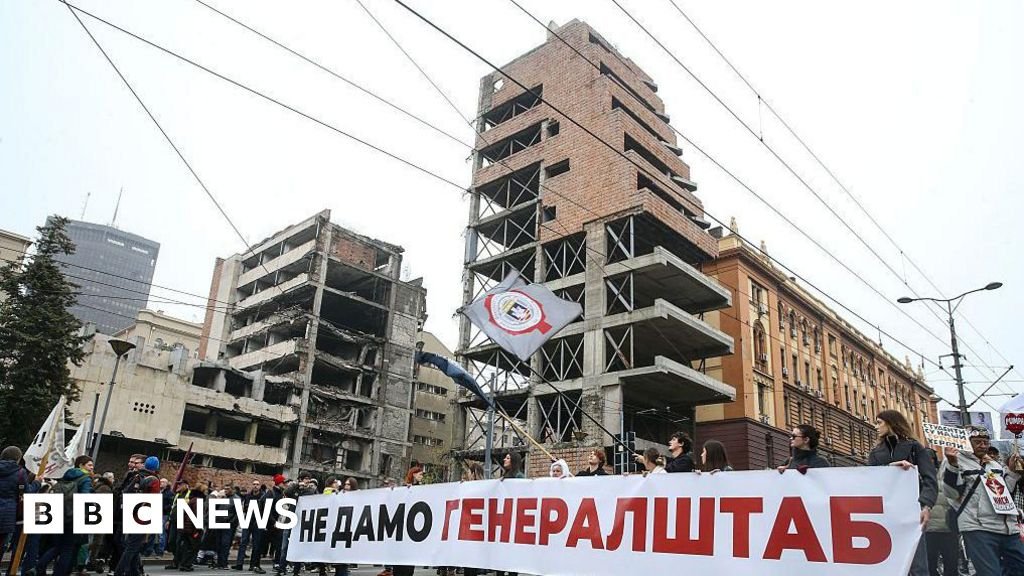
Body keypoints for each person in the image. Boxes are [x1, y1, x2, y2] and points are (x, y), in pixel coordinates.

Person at [941, 426, 1024, 575]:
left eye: (986, 442)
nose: (983, 445)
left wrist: (1011, 472)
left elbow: (1004, 492)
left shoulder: (994, 464)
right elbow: (951, 493)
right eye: (978, 442)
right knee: (990, 573)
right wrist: (953, 465)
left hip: (1007, 528)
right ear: (966, 442)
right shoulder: (955, 461)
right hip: (978, 527)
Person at [868, 410, 937, 576]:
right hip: (885, 515)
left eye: (879, 423)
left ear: (891, 423)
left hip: (912, 513)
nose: (876, 427)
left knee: (917, 565)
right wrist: (890, 468)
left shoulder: (914, 447)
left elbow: (930, 479)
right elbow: (869, 479)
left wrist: (926, 506)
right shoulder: (875, 452)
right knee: (889, 564)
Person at [36, 455, 94, 576]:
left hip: (59, 515)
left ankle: (38, 567)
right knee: (67, 549)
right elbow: (85, 499)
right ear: (81, 465)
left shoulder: (66, 476)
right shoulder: (85, 479)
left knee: (57, 546)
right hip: (73, 518)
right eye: (89, 465)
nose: (92, 467)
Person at [114, 456, 161, 576]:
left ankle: (135, 572)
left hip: (131, 511)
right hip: (143, 516)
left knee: (133, 545)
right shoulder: (154, 480)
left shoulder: (137, 476)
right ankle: (119, 572)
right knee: (132, 547)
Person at [924, 449, 958, 576]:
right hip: (927, 530)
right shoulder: (915, 477)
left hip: (947, 528)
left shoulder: (945, 475)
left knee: (951, 565)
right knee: (930, 566)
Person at [0, 446, 24, 565]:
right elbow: (27, 491)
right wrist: (37, 482)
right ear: (18, 458)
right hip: (8, 513)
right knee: (2, 543)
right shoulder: (20, 472)